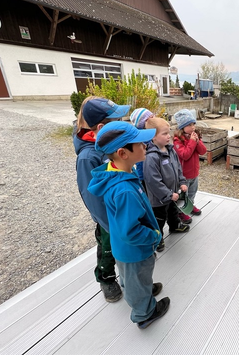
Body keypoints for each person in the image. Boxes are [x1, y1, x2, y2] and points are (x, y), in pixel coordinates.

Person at [87, 121, 170, 329]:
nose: (146, 145)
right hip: (135, 250)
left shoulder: (115, 170)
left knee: (131, 277)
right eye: (141, 143)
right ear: (123, 153)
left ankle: (142, 289)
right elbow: (131, 231)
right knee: (137, 275)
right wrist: (153, 236)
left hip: (123, 249)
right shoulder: (124, 190)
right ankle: (145, 313)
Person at [74, 97, 130, 302]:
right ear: (101, 126)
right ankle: (105, 277)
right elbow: (93, 198)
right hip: (108, 218)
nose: (123, 124)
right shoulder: (88, 157)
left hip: (120, 211)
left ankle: (128, 277)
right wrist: (110, 224)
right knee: (107, 247)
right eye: (118, 120)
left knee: (122, 247)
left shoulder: (107, 143)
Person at [144, 117, 190, 252]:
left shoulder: (170, 150)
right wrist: (168, 194)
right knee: (159, 219)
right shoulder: (151, 157)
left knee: (172, 212)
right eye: (164, 133)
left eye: (168, 132)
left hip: (173, 193)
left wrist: (182, 182)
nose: (168, 136)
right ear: (153, 137)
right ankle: (158, 239)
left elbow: (178, 168)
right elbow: (153, 181)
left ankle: (174, 225)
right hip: (159, 198)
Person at [172, 109, 207, 224]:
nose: (193, 127)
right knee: (184, 195)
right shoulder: (177, 140)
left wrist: (197, 141)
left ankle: (190, 206)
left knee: (192, 192)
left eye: (193, 124)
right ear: (182, 127)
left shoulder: (194, 136)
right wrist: (192, 142)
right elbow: (185, 155)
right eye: (189, 125)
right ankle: (181, 212)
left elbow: (202, 151)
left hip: (194, 173)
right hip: (184, 175)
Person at [129, 108, 155, 188]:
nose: (155, 117)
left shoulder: (144, 133)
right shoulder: (144, 136)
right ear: (145, 122)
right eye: (152, 117)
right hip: (145, 173)